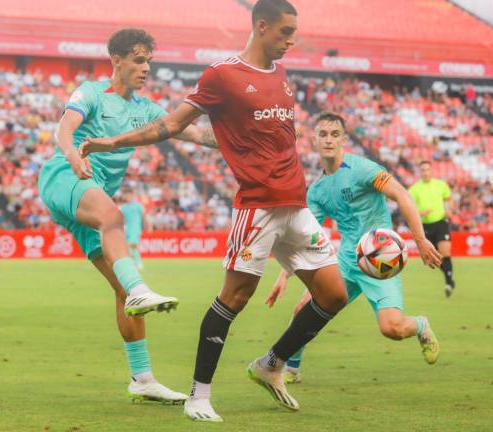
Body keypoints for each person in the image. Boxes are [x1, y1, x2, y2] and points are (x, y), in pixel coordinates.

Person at [80, 0, 350, 422]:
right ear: (262, 27)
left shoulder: (281, 75)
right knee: (235, 298)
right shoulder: (222, 75)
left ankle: (271, 364)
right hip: (258, 209)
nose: (291, 40)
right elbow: (170, 125)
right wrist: (112, 143)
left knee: (334, 295)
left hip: (296, 205)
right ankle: (198, 396)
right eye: (284, 32)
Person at [37, 28, 214, 404]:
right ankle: (139, 290)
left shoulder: (147, 110)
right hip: (64, 176)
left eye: (149, 60)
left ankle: (143, 378)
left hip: (92, 194)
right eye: (138, 60)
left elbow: (197, 136)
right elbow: (64, 130)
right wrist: (73, 156)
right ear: (116, 60)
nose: (146, 67)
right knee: (114, 219)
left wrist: (247, 132)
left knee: (120, 282)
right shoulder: (91, 92)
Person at [264, 112, 442, 384]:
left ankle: (420, 325)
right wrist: (284, 275)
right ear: (314, 140)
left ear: (344, 140)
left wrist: (420, 239)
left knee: (392, 329)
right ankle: (292, 369)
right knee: (303, 309)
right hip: (348, 260)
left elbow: (402, 195)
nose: (329, 140)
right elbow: (305, 236)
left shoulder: (363, 170)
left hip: (381, 258)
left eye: (335, 134)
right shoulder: (317, 191)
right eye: (323, 134)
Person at [409, 161, 456, 297]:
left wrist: (449, 210)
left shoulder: (441, 185)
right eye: (422, 170)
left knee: (445, 252)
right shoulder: (414, 189)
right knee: (436, 258)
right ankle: (449, 277)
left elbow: (448, 199)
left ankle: (448, 282)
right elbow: (409, 208)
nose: (425, 172)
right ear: (420, 172)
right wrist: (419, 213)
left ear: (431, 171)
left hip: (441, 222)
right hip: (425, 226)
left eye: (427, 169)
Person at [119, 189, 145, 270]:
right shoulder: (123, 208)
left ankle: (137, 263)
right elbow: (122, 220)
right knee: (130, 247)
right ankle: (136, 263)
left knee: (131, 246)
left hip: (136, 229)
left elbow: (143, 217)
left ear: (132, 196)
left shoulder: (138, 206)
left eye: (128, 195)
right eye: (125, 195)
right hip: (127, 230)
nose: (127, 197)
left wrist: (145, 227)